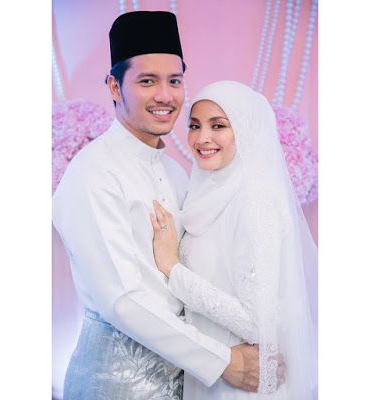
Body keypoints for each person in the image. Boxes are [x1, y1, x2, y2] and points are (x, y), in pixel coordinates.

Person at [53, 12, 280, 400]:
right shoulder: (92, 173)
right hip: (117, 385)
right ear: (114, 86)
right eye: (147, 81)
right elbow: (122, 300)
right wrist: (225, 360)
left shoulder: (176, 171)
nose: (165, 95)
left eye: (174, 80)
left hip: (187, 383)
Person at [150, 80, 318, 399]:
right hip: (214, 372)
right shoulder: (207, 195)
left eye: (218, 126)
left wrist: (173, 269)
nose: (202, 138)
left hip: (242, 384)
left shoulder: (256, 203)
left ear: (246, 130)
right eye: (195, 125)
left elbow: (258, 321)